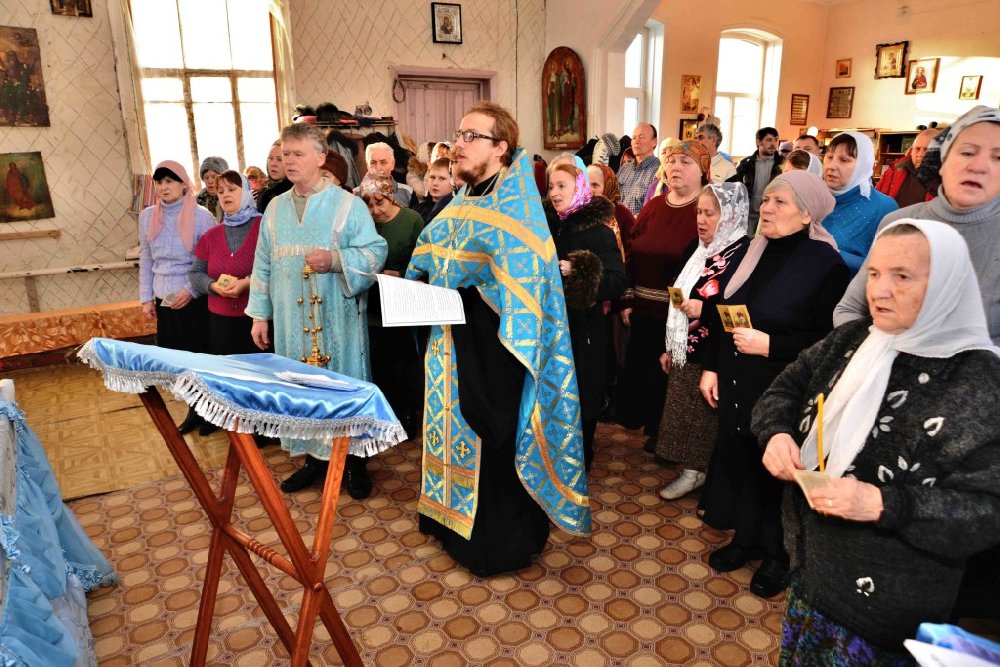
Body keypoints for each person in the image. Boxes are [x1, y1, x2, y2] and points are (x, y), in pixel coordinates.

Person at [757, 219, 1000, 664]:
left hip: (887, 611)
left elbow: (987, 511)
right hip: (811, 572)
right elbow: (785, 389)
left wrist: (883, 504)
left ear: (947, 285)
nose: (879, 291)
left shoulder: (979, 380)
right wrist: (776, 433)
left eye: (902, 276)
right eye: (873, 273)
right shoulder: (853, 338)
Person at [405, 101, 591, 577]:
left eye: (471, 136)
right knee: (450, 432)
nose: (459, 144)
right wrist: (414, 285)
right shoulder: (462, 202)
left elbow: (526, 298)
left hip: (496, 355)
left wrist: (462, 295)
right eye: (458, 134)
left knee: (491, 443)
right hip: (449, 347)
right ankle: (448, 522)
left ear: (501, 147)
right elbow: (429, 255)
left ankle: (495, 545)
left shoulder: (519, 213)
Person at [832, 106, 1000, 619]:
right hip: (880, 402)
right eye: (968, 151)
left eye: (998, 157)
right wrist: (867, 362)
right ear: (942, 158)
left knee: (938, 567)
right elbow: (850, 310)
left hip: (968, 423)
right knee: (855, 545)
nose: (980, 164)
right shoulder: (901, 222)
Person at [698, 170, 850, 598]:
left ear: (807, 214)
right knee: (742, 461)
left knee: (777, 470)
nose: (766, 208)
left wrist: (772, 345)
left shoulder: (827, 265)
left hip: (783, 384)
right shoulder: (753, 249)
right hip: (736, 377)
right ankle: (746, 539)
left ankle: (779, 555)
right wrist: (711, 368)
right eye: (765, 200)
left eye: (779, 202)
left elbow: (831, 341)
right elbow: (722, 314)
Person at [245, 122, 388, 499]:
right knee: (301, 389)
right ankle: (313, 458)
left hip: (337, 320)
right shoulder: (274, 207)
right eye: (285, 154)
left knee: (342, 388)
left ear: (321, 158)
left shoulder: (348, 204)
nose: (289, 161)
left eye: (297, 154)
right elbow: (263, 263)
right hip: (290, 323)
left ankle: (354, 461)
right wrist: (260, 315)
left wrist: (337, 260)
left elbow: (376, 251)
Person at [656, 183, 750, 500]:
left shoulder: (742, 254)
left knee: (703, 421)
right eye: (699, 211)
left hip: (715, 352)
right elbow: (678, 293)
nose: (701, 219)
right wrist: (670, 347)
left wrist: (705, 310)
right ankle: (692, 470)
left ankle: (699, 472)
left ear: (731, 216)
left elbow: (742, 313)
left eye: (710, 213)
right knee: (685, 415)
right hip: (686, 347)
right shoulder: (697, 249)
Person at [616, 141, 707, 448]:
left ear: (703, 170)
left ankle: (664, 434)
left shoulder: (705, 210)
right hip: (642, 309)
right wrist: (628, 298)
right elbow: (632, 252)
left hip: (678, 316)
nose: (675, 167)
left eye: (686, 162)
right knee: (641, 371)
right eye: (672, 161)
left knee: (667, 375)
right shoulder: (655, 205)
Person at [546, 162, 625, 470]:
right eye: (551, 186)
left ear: (578, 188)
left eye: (562, 186)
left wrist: (579, 271)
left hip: (584, 328)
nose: (554, 193)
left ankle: (580, 457)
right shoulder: (547, 227)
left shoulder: (599, 232)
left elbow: (616, 282)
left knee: (582, 390)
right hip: (550, 324)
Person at [139, 161, 216, 435]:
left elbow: (210, 260)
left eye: (170, 181)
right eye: (159, 182)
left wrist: (190, 290)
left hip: (194, 298)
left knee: (200, 357)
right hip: (164, 297)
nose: (164, 187)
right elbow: (146, 258)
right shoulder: (147, 216)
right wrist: (146, 298)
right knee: (177, 360)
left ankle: (210, 413)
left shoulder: (202, 216)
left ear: (184, 184)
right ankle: (194, 409)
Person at [358, 174, 424, 434]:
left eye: (380, 203)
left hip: (402, 302)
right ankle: (383, 417)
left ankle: (406, 416)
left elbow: (424, 261)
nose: (375, 211)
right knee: (378, 362)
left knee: (403, 361)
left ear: (392, 198)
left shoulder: (411, 220)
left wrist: (402, 274)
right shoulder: (365, 223)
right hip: (372, 302)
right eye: (369, 205)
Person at [821, 132, 899, 274]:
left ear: (863, 164)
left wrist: (830, 252)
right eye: (829, 157)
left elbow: (888, 265)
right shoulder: (815, 198)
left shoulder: (884, 207)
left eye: (844, 160)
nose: (831, 166)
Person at [727, 127, 783, 232]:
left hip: (772, 216)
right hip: (747, 217)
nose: (773, 144)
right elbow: (734, 188)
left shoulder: (782, 165)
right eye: (769, 140)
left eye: (776, 140)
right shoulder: (746, 164)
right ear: (758, 142)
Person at [875, 127, 941, 207]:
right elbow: (876, 201)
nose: (920, 154)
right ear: (911, 151)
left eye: (927, 149)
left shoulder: (947, 180)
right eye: (917, 149)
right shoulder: (892, 172)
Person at [617, 123, 660, 216]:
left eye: (641, 137)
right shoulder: (624, 169)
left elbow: (655, 210)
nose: (636, 141)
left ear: (654, 142)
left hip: (642, 223)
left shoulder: (659, 171)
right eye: (633, 137)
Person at [354, 142, 413, 206]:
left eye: (383, 162)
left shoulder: (407, 192)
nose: (378, 168)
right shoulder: (356, 194)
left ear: (392, 164)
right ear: (367, 165)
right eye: (373, 163)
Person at [413, 157, 454, 224]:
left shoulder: (455, 211)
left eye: (442, 178)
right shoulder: (418, 209)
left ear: (453, 182)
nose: (435, 183)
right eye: (432, 177)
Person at [256, 140, 293, 214]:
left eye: (279, 159)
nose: (273, 164)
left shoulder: (295, 193)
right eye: (270, 158)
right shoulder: (263, 192)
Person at [196, 156, 229, 221]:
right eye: (206, 177)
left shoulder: (233, 198)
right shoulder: (195, 202)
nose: (210, 181)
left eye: (214, 177)